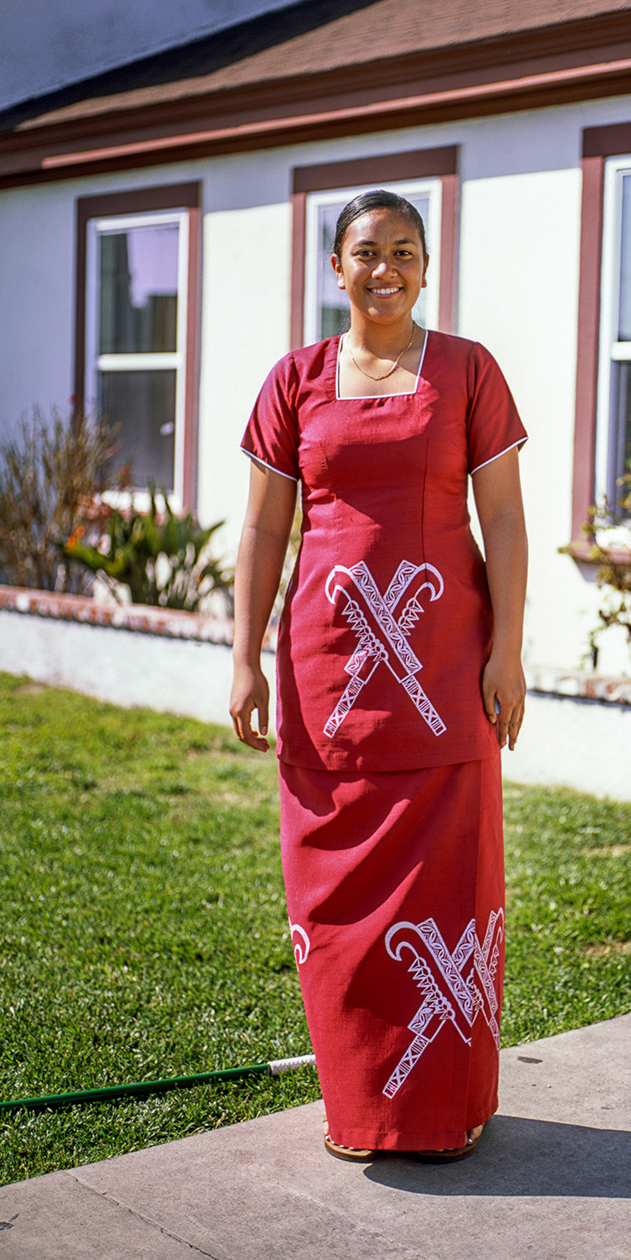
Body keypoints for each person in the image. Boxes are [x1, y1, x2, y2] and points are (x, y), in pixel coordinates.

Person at [229, 190, 528, 1163]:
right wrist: (241, 654)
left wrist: (508, 647)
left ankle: (447, 1110)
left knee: (449, 890)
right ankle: (360, 1106)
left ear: (427, 265)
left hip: (445, 678)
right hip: (328, 679)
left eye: (404, 250)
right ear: (336, 267)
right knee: (335, 895)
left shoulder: (467, 371)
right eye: (366, 252)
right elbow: (267, 526)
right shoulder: (296, 379)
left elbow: (506, 523)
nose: (385, 268)